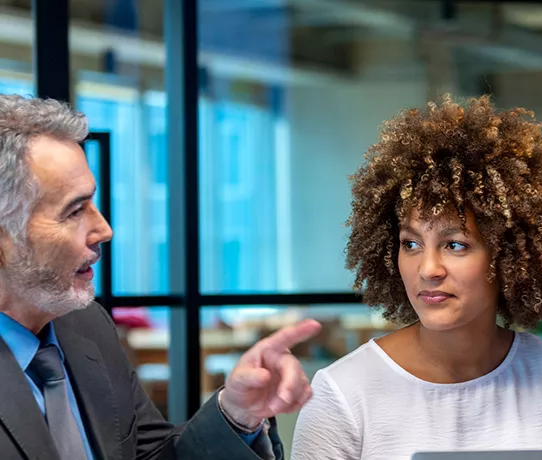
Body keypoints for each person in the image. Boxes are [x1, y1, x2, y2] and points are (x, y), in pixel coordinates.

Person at [0, 94, 320, 459]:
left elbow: (152, 455)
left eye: (93, 203)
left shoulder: (86, 328)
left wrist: (236, 413)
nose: (104, 229)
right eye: (74, 211)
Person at [289, 94, 542, 460]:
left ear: (511, 256)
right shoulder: (344, 391)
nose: (428, 269)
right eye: (411, 243)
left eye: (454, 245)